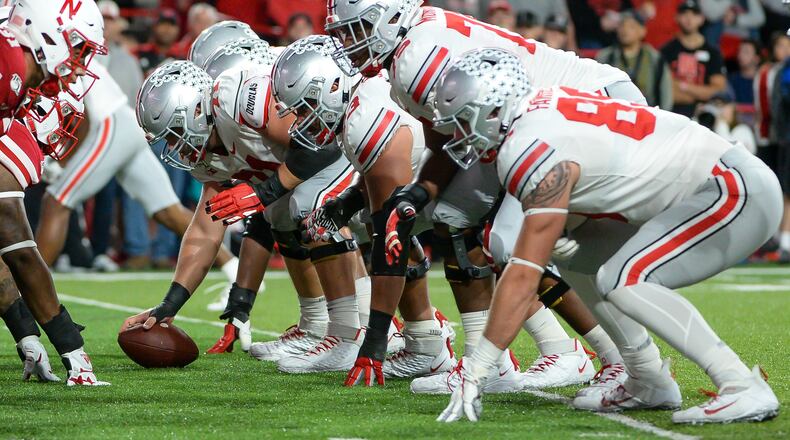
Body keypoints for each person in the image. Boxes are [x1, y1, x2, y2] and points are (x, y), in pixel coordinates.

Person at [433, 47, 781, 425]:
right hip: (714, 184)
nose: (458, 133)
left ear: (495, 109)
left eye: (464, 119)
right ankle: (647, 378)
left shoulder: (527, 147)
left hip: (731, 188)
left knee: (624, 279)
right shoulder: (539, 108)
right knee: (576, 253)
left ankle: (740, 384)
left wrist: (478, 366)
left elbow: (523, 275)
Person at [327, 0, 636, 392]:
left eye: (357, 29)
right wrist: (421, 192)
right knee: (457, 219)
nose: (348, 42)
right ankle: (507, 362)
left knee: (509, 240)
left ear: (390, 18)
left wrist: (373, 341)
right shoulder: (408, 52)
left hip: (578, 108)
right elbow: (448, 140)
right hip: (551, 112)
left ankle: (608, 358)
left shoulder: (415, 60)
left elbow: (460, 140)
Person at [124, 54, 371, 375]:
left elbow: (320, 142)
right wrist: (169, 305)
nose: (174, 146)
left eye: (173, 133)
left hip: (348, 135)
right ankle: (317, 326)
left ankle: (348, 333)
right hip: (319, 156)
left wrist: (262, 193)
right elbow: (205, 228)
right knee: (279, 216)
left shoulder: (238, 100)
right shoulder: (206, 152)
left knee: (310, 208)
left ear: (197, 111)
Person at [274, 36, 457, 381]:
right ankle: (426, 345)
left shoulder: (364, 120)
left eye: (304, 107)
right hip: (443, 171)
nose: (299, 121)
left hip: (469, 172)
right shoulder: (359, 105)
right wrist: (346, 204)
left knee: (488, 248)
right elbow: (379, 184)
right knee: (372, 224)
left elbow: (393, 236)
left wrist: (372, 344)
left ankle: (540, 353)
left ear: (331, 89)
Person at [0, 0, 109, 386]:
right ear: (47, 30)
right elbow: (15, 240)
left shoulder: (15, 73)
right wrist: (72, 348)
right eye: (77, 48)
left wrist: (25, 333)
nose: (79, 63)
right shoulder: (8, 65)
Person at [661, 0, 728, 117]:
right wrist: (701, 94)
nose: (689, 18)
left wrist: (683, 86)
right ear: (677, 17)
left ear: (701, 19)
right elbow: (665, 91)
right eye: (685, 14)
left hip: (704, 115)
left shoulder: (713, 52)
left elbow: (718, 91)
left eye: (694, 14)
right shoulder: (666, 51)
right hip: (672, 113)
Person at [597, 10, 673, 109]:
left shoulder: (655, 58)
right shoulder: (605, 56)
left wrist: (663, 118)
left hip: (648, 114)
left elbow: (665, 92)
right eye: (622, 26)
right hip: (613, 113)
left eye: (631, 26)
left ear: (642, 31)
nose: (625, 30)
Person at [135, 9, 183, 75]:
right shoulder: (139, 52)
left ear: (178, 29)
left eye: (172, 24)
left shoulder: (183, 57)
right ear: (154, 27)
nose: (167, 28)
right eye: (163, 24)